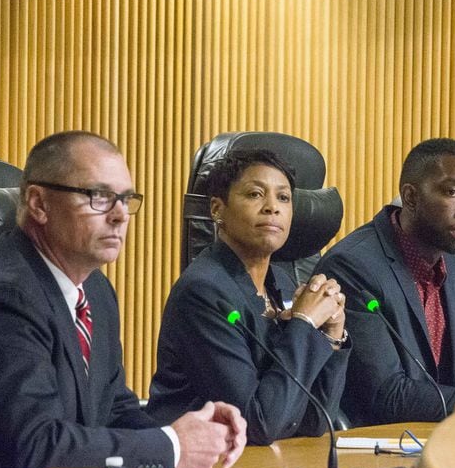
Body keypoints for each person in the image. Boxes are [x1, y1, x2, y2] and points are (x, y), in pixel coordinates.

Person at [0, 132, 246, 468]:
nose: (120, 215)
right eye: (99, 196)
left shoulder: (95, 290)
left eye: (126, 199)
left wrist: (192, 433)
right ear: (39, 203)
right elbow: (37, 448)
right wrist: (174, 446)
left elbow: (114, 408)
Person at [146, 149, 350, 445]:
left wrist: (332, 335)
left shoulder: (281, 282)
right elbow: (256, 424)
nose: (272, 208)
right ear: (217, 209)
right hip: (201, 466)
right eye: (255, 195)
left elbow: (314, 418)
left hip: (265, 462)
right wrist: (303, 325)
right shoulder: (203, 293)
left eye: (283, 198)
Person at [313, 138, 455, 426]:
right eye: (453, 192)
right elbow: (388, 396)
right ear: (410, 197)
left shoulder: (454, 270)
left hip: (444, 436)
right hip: (375, 446)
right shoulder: (354, 267)